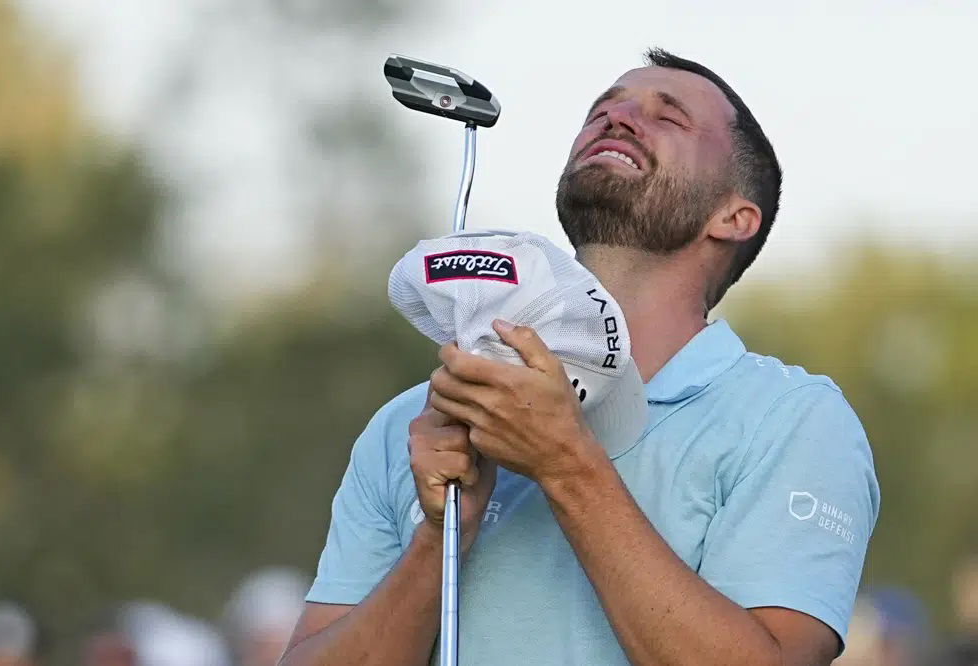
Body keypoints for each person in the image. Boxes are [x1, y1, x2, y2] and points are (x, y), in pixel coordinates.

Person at [281, 48, 881, 665]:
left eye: (667, 118)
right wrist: (438, 538)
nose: (617, 119)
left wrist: (564, 463)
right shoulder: (417, 420)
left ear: (734, 217)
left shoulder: (791, 420)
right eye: (603, 109)